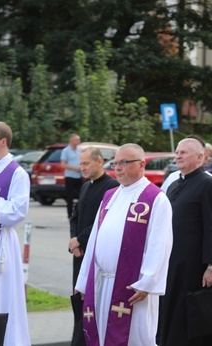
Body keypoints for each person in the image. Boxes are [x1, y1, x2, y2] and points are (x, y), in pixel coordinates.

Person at [75, 143, 173, 345]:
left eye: (124, 163)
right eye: (115, 163)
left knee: (135, 338)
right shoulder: (110, 195)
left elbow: (160, 243)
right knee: (102, 334)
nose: (117, 168)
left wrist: (147, 282)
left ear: (141, 165)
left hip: (133, 287)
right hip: (102, 283)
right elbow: (95, 238)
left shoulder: (155, 199)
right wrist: (84, 279)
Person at [0, 121, 30, 346]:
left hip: (2, 244)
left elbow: (17, 211)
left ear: (3, 141)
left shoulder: (17, 173)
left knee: (3, 296)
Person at [158, 138, 212, 345]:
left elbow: (210, 227)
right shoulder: (173, 185)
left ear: (200, 158)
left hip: (193, 266)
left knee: (187, 317)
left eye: (184, 153)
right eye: (177, 152)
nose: (177, 156)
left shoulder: (207, 184)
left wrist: (210, 266)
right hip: (171, 263)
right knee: (169, 311)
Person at [68, 146, 119, 346]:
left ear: (99, 162)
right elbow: (75, 216)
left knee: (92, 302)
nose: (82, 168)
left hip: (96, 255)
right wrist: (74, 241)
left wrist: (80, 239)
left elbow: (104, 221)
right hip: (79, 253)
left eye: (86, 163)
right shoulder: (85, 186)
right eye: (80, 164)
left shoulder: (111, 187)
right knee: (77, 300)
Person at [61, 134, 82, 218]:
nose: (78, 142)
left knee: (81, 195)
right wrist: (74, 168)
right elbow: (63, 164)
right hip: (70, 176)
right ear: (72, 141)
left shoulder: (79, 150)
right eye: (77, 140)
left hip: (79, 176)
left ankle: (79, 213)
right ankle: (70, 214)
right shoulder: (66, 151)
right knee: (70, 196)